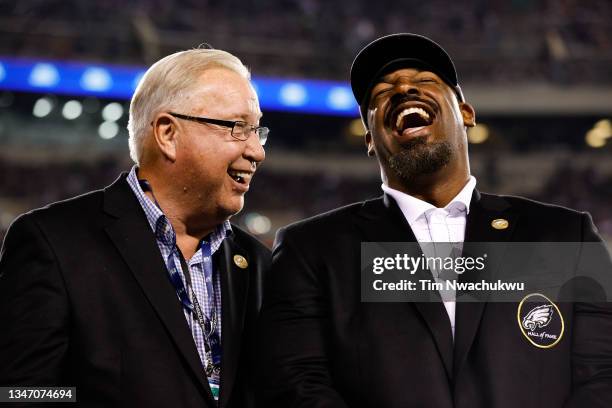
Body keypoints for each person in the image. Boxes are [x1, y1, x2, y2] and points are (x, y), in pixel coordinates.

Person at [256, 33, 612, 408]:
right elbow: (296, 384)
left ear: (466, 113)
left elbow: (603, 376)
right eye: (380, 94)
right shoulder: (312, 249)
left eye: (425, 81)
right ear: (369, 140)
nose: (403, 88)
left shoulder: (565, 237)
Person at [0, 48, 271, 407]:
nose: (257, 151)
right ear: (167, 134)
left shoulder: (259, 264)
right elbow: (19, 393)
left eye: (257, 130)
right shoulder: (53, 243)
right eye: (237, 128)